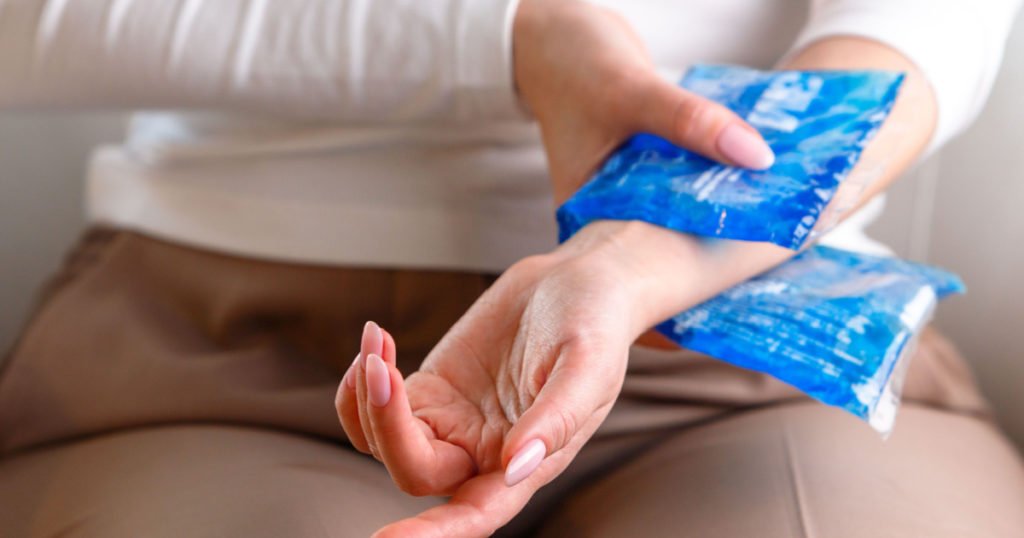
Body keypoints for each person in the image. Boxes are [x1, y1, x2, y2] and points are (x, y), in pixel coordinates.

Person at [1, 0, 1023, 536]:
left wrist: (628, 258)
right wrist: (504, 39)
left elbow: (917, 28)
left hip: (752, 348)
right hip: (222, 354)